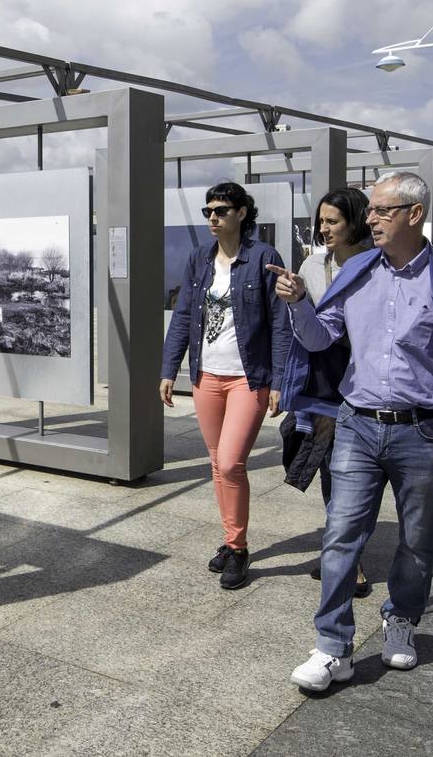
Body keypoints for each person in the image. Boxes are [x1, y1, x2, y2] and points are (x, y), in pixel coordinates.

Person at [271, 171, 433, 692]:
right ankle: (332, 647)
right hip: (357, 425)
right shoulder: (359, 271)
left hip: (422, 432)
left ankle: (402, 620)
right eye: (371, 211)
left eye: (383, 210)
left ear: (415, 214)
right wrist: (299, 301)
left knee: (416, 537)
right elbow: (322, 339)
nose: (372, 219)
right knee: (341, 533)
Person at [160, 181, 291, 590]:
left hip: (247, 378)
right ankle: (233, 542)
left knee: (232, 462)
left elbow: (280, 322)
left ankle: (238, 547)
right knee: (218, 463)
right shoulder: (199, 259)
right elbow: (183, 316)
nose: (212, 218)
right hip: (206, 377)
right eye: (208, 212)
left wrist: (279, 379)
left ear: (242, 214)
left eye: (221, 210)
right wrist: (169, 369)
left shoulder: (263, 257)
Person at [287, 188, 374, 598]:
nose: (323, 228)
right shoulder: (312, 263)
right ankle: (347, 557)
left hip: (366, 380)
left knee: (360, 473)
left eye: (332, 221)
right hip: (321, 378)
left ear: (355, 221)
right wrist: (296, 300)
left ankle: (347, 549)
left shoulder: (376, 263)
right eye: (321, 221)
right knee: (330, 469)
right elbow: (305, 331)